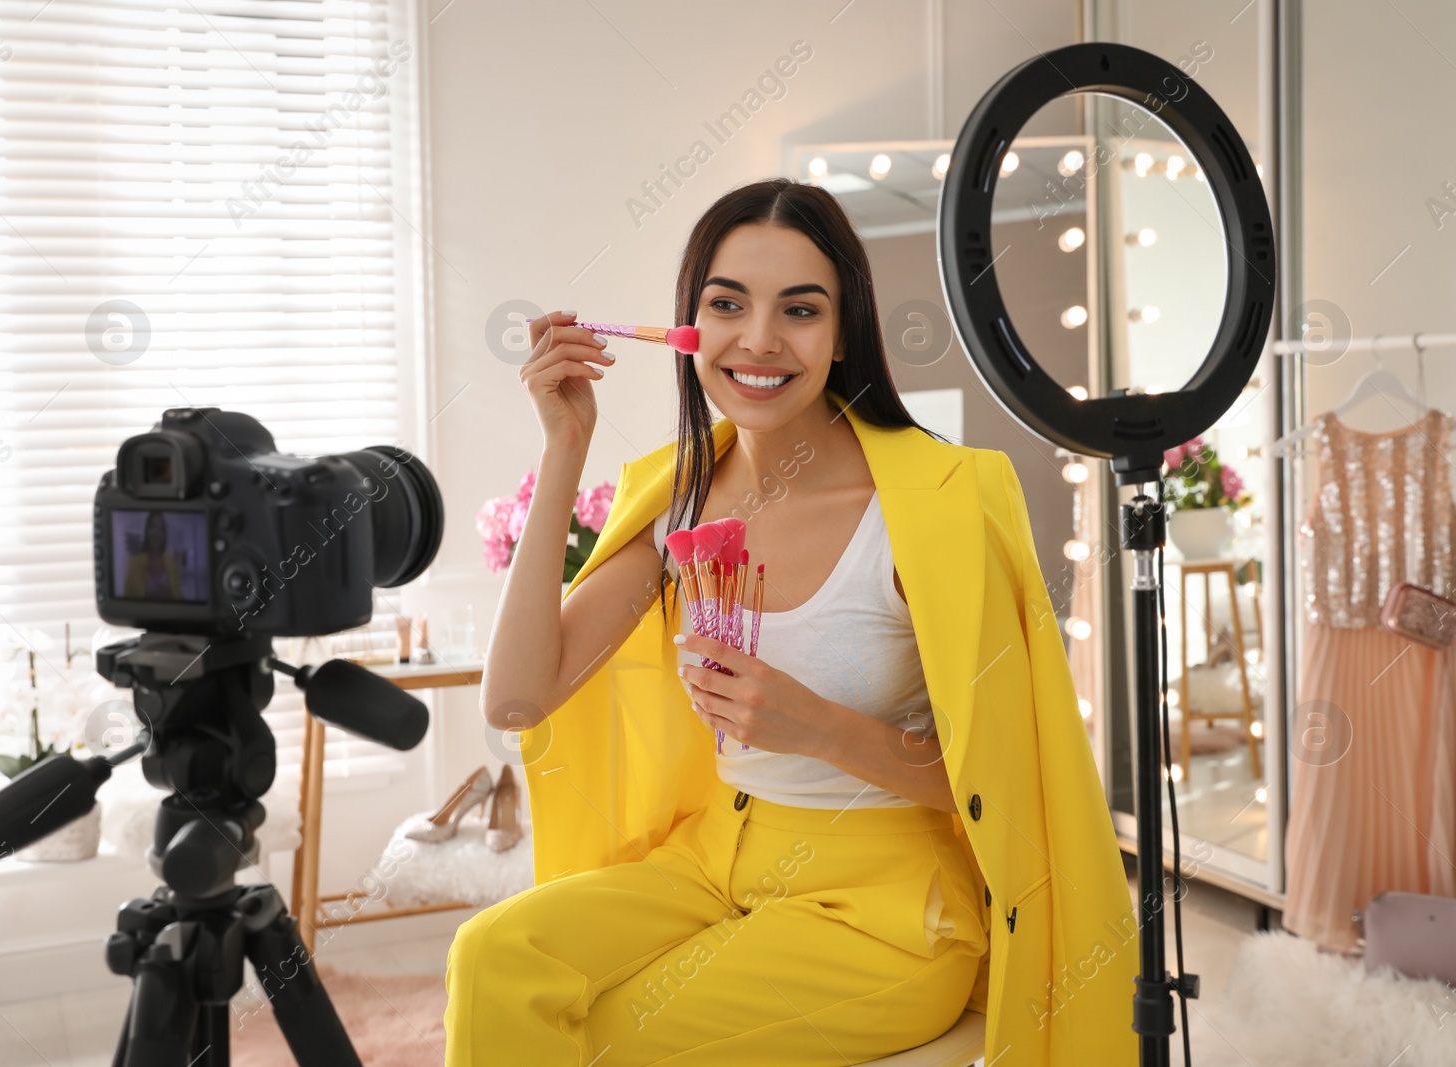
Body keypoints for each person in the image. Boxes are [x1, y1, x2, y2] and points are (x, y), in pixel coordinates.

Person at [444, 178, 1137, 1066]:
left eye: (800, 310)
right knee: (495, 955)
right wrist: (564, 445)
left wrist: (813, 726)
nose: (758, 340)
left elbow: (1009, 782)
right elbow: (515, 699)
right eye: (726, 304)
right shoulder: (680, 494)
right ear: (688, 326)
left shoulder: (936, 505)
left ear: (845, 332)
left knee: (614, 1039)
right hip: (716, 854)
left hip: (887, 900)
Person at [122, 510, 181, 600]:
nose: (157, 532)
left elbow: (179, 595)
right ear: (147, 531)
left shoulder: (171, 561)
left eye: (161, 528)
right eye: (153, 526)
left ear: (165, 535)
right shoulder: (134, 563)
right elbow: (127, 600)